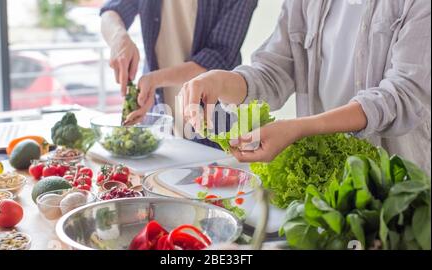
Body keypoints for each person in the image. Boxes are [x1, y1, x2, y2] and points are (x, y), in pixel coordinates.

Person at [181, 0, 431, 174]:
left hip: (397, 183)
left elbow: (402, 96)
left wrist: (301, 129)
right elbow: (274, 70)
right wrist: (219, 81)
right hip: (326, 180)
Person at [100, 0, 257, 147]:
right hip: (158, 111)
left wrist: (154, 80)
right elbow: (113, 10)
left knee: (214, 172)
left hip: (214, 120)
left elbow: (219, 55)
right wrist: (118, 37)